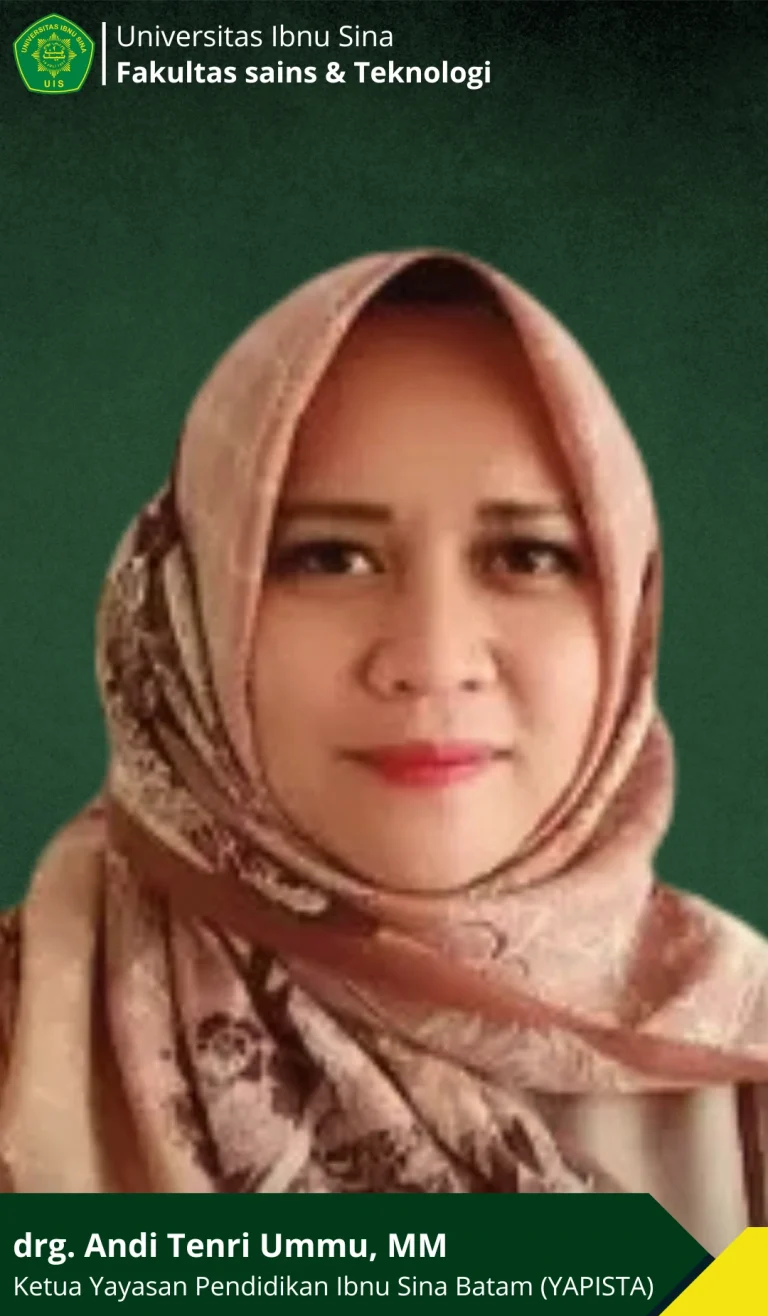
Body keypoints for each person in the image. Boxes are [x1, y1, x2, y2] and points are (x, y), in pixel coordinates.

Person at [1, 250, 767, 1252]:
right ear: (188, 613)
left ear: (630, 617)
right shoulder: (28, 1032)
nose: (432, 659)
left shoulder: (743, 1067)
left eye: (528, 555)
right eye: (330, 557)